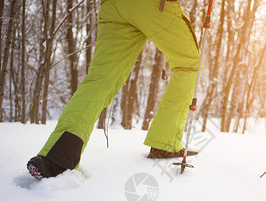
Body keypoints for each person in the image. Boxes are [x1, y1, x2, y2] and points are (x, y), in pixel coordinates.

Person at [27, 0, 200, 180]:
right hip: (152, 5)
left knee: (100, 79)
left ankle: (57, 158)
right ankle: (165, 142)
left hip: (113, 6)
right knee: (191, 65)